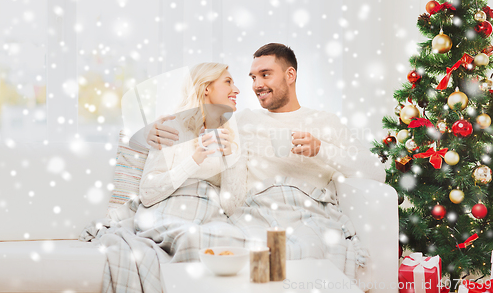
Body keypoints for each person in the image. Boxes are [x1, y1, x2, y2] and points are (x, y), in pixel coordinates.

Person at [146, 43, 386, 215]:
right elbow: (199, 128)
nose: (256, 85)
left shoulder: (324, 122)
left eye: (265, 75)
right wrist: (155, 132)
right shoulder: (242, 122)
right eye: (252, 77)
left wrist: (321, 149)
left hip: (309, 214)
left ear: (290, 75)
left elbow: (377, 173)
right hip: (258, 216)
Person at [138, 62, 240, 209]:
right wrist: (194, 161)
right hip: (171, 211)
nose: (236, 90)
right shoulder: (171, 128)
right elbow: (147, 194)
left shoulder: (231, 137)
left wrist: (228, 156)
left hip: (209, 217)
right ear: (206, 88)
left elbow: (233, 208)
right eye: (228, 82)